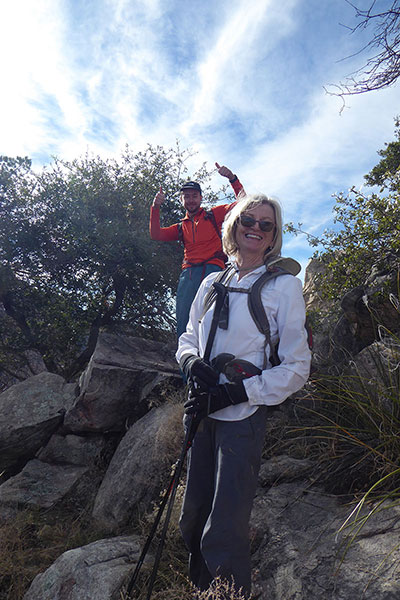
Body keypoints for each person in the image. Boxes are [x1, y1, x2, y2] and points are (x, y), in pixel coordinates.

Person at [176, 193, 311, 598]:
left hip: (242, 418)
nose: (255, 228)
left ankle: (227, 592)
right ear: (233, 225)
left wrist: (238, 392)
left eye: (265, 225)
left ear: (273, 237)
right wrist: (190, 363)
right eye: (248, 220)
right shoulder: (210, 282)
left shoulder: (283, 287)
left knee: (226, 524)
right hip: (200, 411)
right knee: (193, 514)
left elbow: (296, 368)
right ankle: (202, 589)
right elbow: (188, 337)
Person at [149, 164, 244, 338]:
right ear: (181, 200)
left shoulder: (213, 215)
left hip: (214, 270)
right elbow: (156, 234)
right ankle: (185, 364)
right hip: (189, 274)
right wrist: (155, 207)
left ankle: (212, 362)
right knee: (184, 322)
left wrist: (232, 178)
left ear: (201, 198)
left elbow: (243, 203)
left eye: (194, 196)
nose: (191, 200)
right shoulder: (180, 227)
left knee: (215, 320)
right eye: (186, 197)